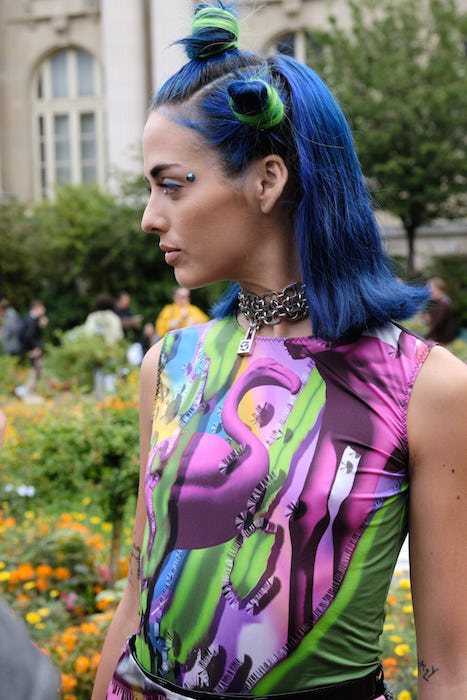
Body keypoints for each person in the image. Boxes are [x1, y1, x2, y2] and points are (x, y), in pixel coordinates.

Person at [92, 4, 467, 699]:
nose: (149, 217)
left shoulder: (422, 387)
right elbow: (137, 598)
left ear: (267, 181)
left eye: (171, 184)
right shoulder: (169, 366)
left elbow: (451, 667)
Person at [15, 299, 48, 401]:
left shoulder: (29, 318)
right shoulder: (31, 320)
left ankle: (27, 391)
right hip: (31, 349)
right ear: (36, 308)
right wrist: (36, 347)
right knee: (36, 370)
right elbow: (29, 337)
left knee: (36, 370)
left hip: (28, 348)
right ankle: (27, 391)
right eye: (42, 308)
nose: (44, 310)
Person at [424, 277, 458, 344]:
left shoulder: (443, 304)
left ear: (438, 289)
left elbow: (437, 324)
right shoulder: (443, 301)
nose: (428, 291)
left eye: (430, 288)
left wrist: (425, 338)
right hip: (443, 339)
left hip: (443, 341)